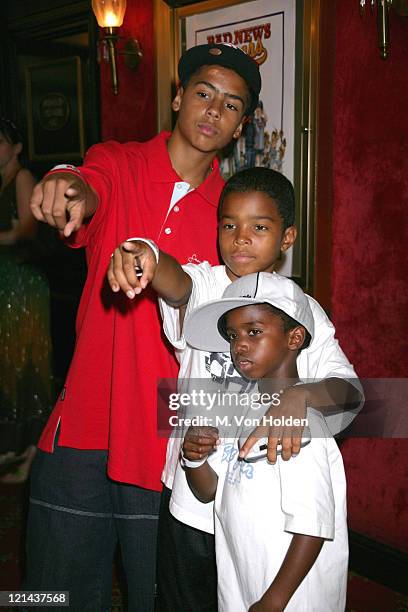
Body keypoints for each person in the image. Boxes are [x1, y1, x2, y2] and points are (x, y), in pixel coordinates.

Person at [24, 44, 262, 611]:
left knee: (159, 598)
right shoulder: (120, 162)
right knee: (45, 595)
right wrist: (66, 184)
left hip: (164, 440)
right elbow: (87, 181)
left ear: (240, 126)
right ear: (178, 97)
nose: (212, 110)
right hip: (84, 417)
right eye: (203, 93)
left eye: (230, 105)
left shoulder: (231, 221)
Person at [108, 166, 361, 611]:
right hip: (193, 495)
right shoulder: (207, 285)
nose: (241, 238)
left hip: (260, 517)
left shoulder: (304, 312)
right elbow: (175, 281)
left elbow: (351, 394)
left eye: (258, 227)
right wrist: (147, 252)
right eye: (229, 226)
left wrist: (301, 396)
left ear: (287, 238)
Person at [181, 271, 348, 611]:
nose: (238, 344)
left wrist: (274, 600)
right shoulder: (244, 410)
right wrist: (194, 457)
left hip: (292, 598)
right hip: (242, 587)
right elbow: (212, 492)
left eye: (253, 332)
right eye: (232, 335)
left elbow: (313, 526)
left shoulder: (302, 422)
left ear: (294, 337)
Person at [0, 117, 53, 484]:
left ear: (16, 146)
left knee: (24, 361)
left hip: (22, 282)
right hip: (5, 279)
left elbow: (27, 231)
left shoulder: (22, 178)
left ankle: (28, 449)